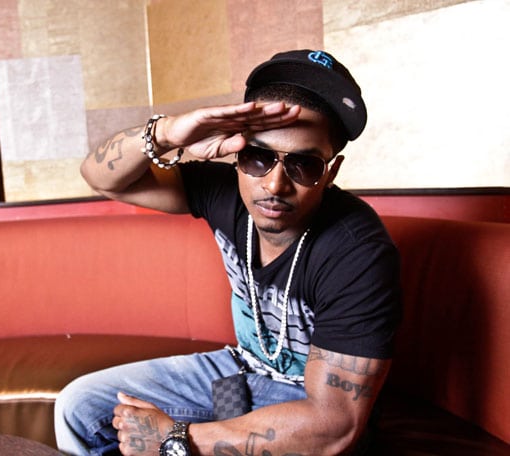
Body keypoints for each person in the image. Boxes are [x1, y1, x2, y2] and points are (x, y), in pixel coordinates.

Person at [54, 49, 401, 456]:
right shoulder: (224, 190)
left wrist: (178, 438)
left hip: (307, 400)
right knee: (80, 406)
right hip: (240, 368)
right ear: (237, 153)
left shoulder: (358, 253)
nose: (274, 185)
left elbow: (335, 426)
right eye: (258, 157)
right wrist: (167, 133)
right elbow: (103, 178)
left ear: (331, 172)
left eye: (304, 165)